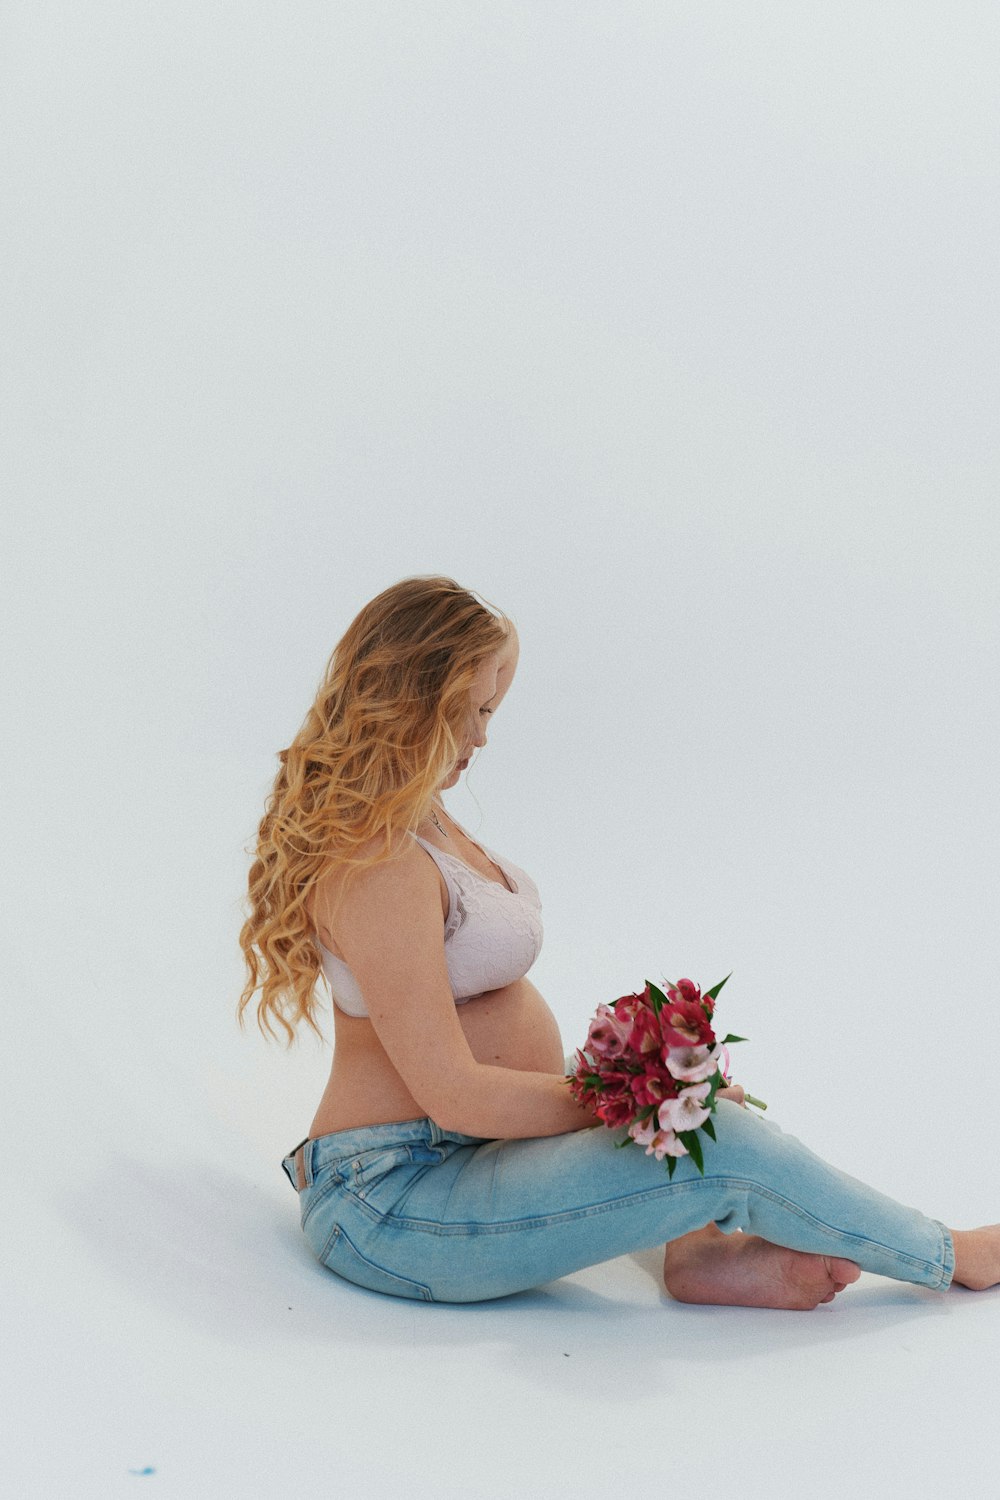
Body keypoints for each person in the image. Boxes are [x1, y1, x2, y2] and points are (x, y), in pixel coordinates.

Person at [238, 575, 1000, 1307]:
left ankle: (696, 1253)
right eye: (466, 713)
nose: (481, 737)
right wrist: (635, 1105)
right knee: (716, 1133)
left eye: (490, 712)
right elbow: (456, 1094)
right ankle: (949, 1254)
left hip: (467, 1155)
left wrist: (643, 1084)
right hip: (394, 1199)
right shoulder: (377, 867)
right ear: (408, 703)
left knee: (679, 1098)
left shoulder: (425, 815)